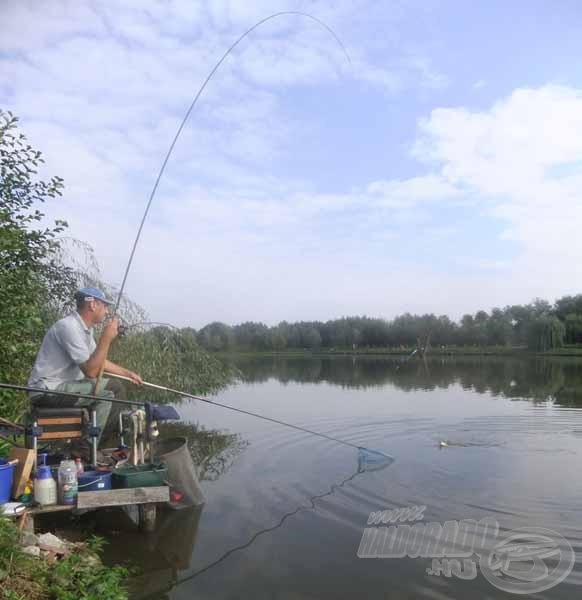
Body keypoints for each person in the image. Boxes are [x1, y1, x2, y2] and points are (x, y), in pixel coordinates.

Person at [28, 286, 143, 446]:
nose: (107, 312)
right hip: (48, 390)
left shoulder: (84, 330)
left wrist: (128, 373)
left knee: (113, 387)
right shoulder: (68, 327)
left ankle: (90, 444)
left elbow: (97, 361)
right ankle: (88, 447)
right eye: (105, 306)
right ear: (92, 304)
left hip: (60, 388)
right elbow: (91, 371)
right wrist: (106, 338)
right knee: (113, 390)